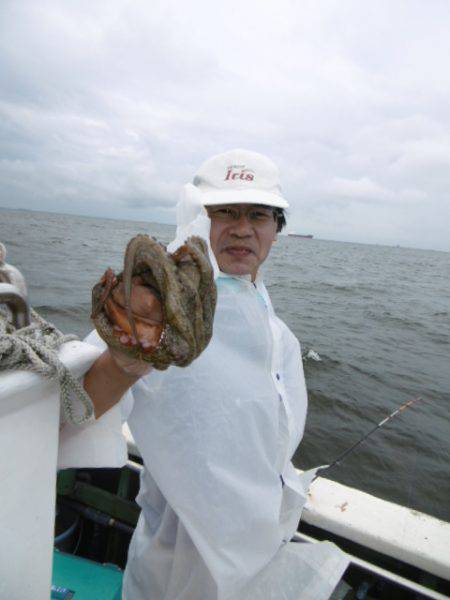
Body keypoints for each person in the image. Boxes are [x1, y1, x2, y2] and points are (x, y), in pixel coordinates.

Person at [79, 149, 348, 599]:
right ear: (197, 219)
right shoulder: (155, 313)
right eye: (225, 211)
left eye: (259, 215)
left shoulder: (278, 335)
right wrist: (125, 362)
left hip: (261, 559)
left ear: (275, 232)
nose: (242, 228)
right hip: (175, 572)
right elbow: (73, 411)